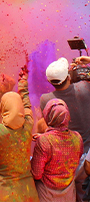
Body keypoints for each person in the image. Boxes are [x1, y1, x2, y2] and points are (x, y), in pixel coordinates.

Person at [0, 67, 39, 202]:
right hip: (27, 192)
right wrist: (23, 83)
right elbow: (27, 106)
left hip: (2, 192)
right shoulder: (28, 126)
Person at [38, 56, 90, 201]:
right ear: (68, 76)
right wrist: (87, 63)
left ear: (49, 81)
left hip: (67, 160)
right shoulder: (85, 88)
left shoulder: (46, 99)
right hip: (88, 155)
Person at [31, 98, 83, 201]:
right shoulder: (77, 138)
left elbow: (36, 174)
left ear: (47, 115)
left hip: (47, 194)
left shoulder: (44, 141)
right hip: (69, 194)